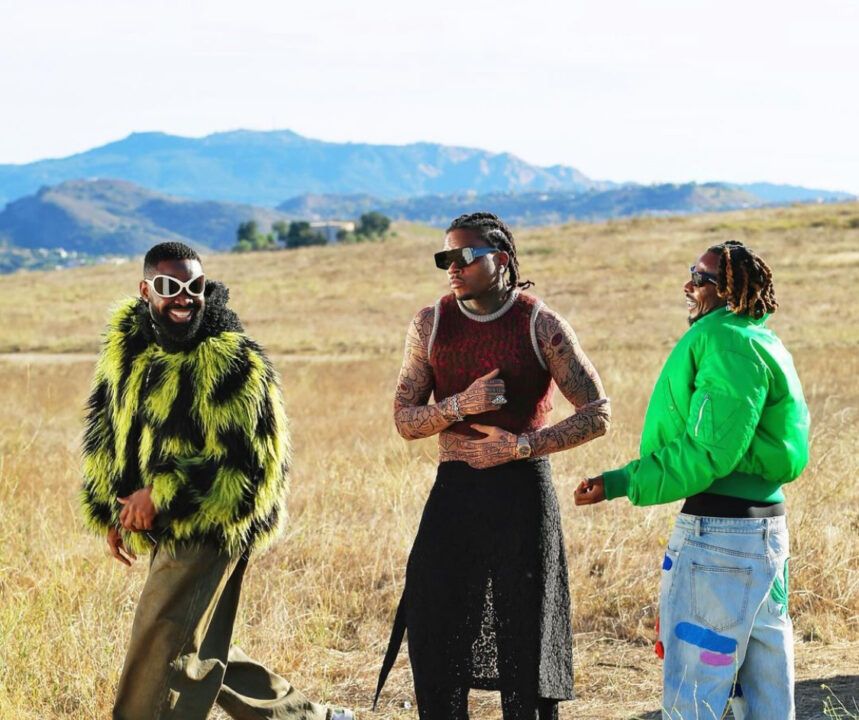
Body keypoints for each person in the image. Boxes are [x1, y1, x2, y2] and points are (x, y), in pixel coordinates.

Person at [80, 242, 354, 720]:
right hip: (158, 519)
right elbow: (108, 427)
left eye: (195, 285)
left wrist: (160, 495)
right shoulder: (128, 347)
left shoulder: (231, 361)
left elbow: (247, 467)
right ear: (145, 290)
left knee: (161, 637)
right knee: (195, 638)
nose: (184, 296)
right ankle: (310, 718)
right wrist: (112, 509)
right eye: (169, 286)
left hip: (213, 519)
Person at [374, 212, 611, 719]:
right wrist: (461, 405)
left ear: (500, 259)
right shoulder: (430, 324)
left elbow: (598, 413)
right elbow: (404, 421)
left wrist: (523, 446)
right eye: (445, 258)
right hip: (454, 493)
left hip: (523, 495)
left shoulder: (540, 323)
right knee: (433, 625)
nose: (452, 268)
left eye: (463, 256)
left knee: (525, 636)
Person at [575, 240, 809, 719]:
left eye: (701, 278)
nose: (688, 285)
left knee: (694, 699)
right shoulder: (761, 339)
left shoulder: (725, 342)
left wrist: (622, 481)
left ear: (728, 290)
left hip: (721, 542)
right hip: (764, 535)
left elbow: (709, 451)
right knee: (766, 697)